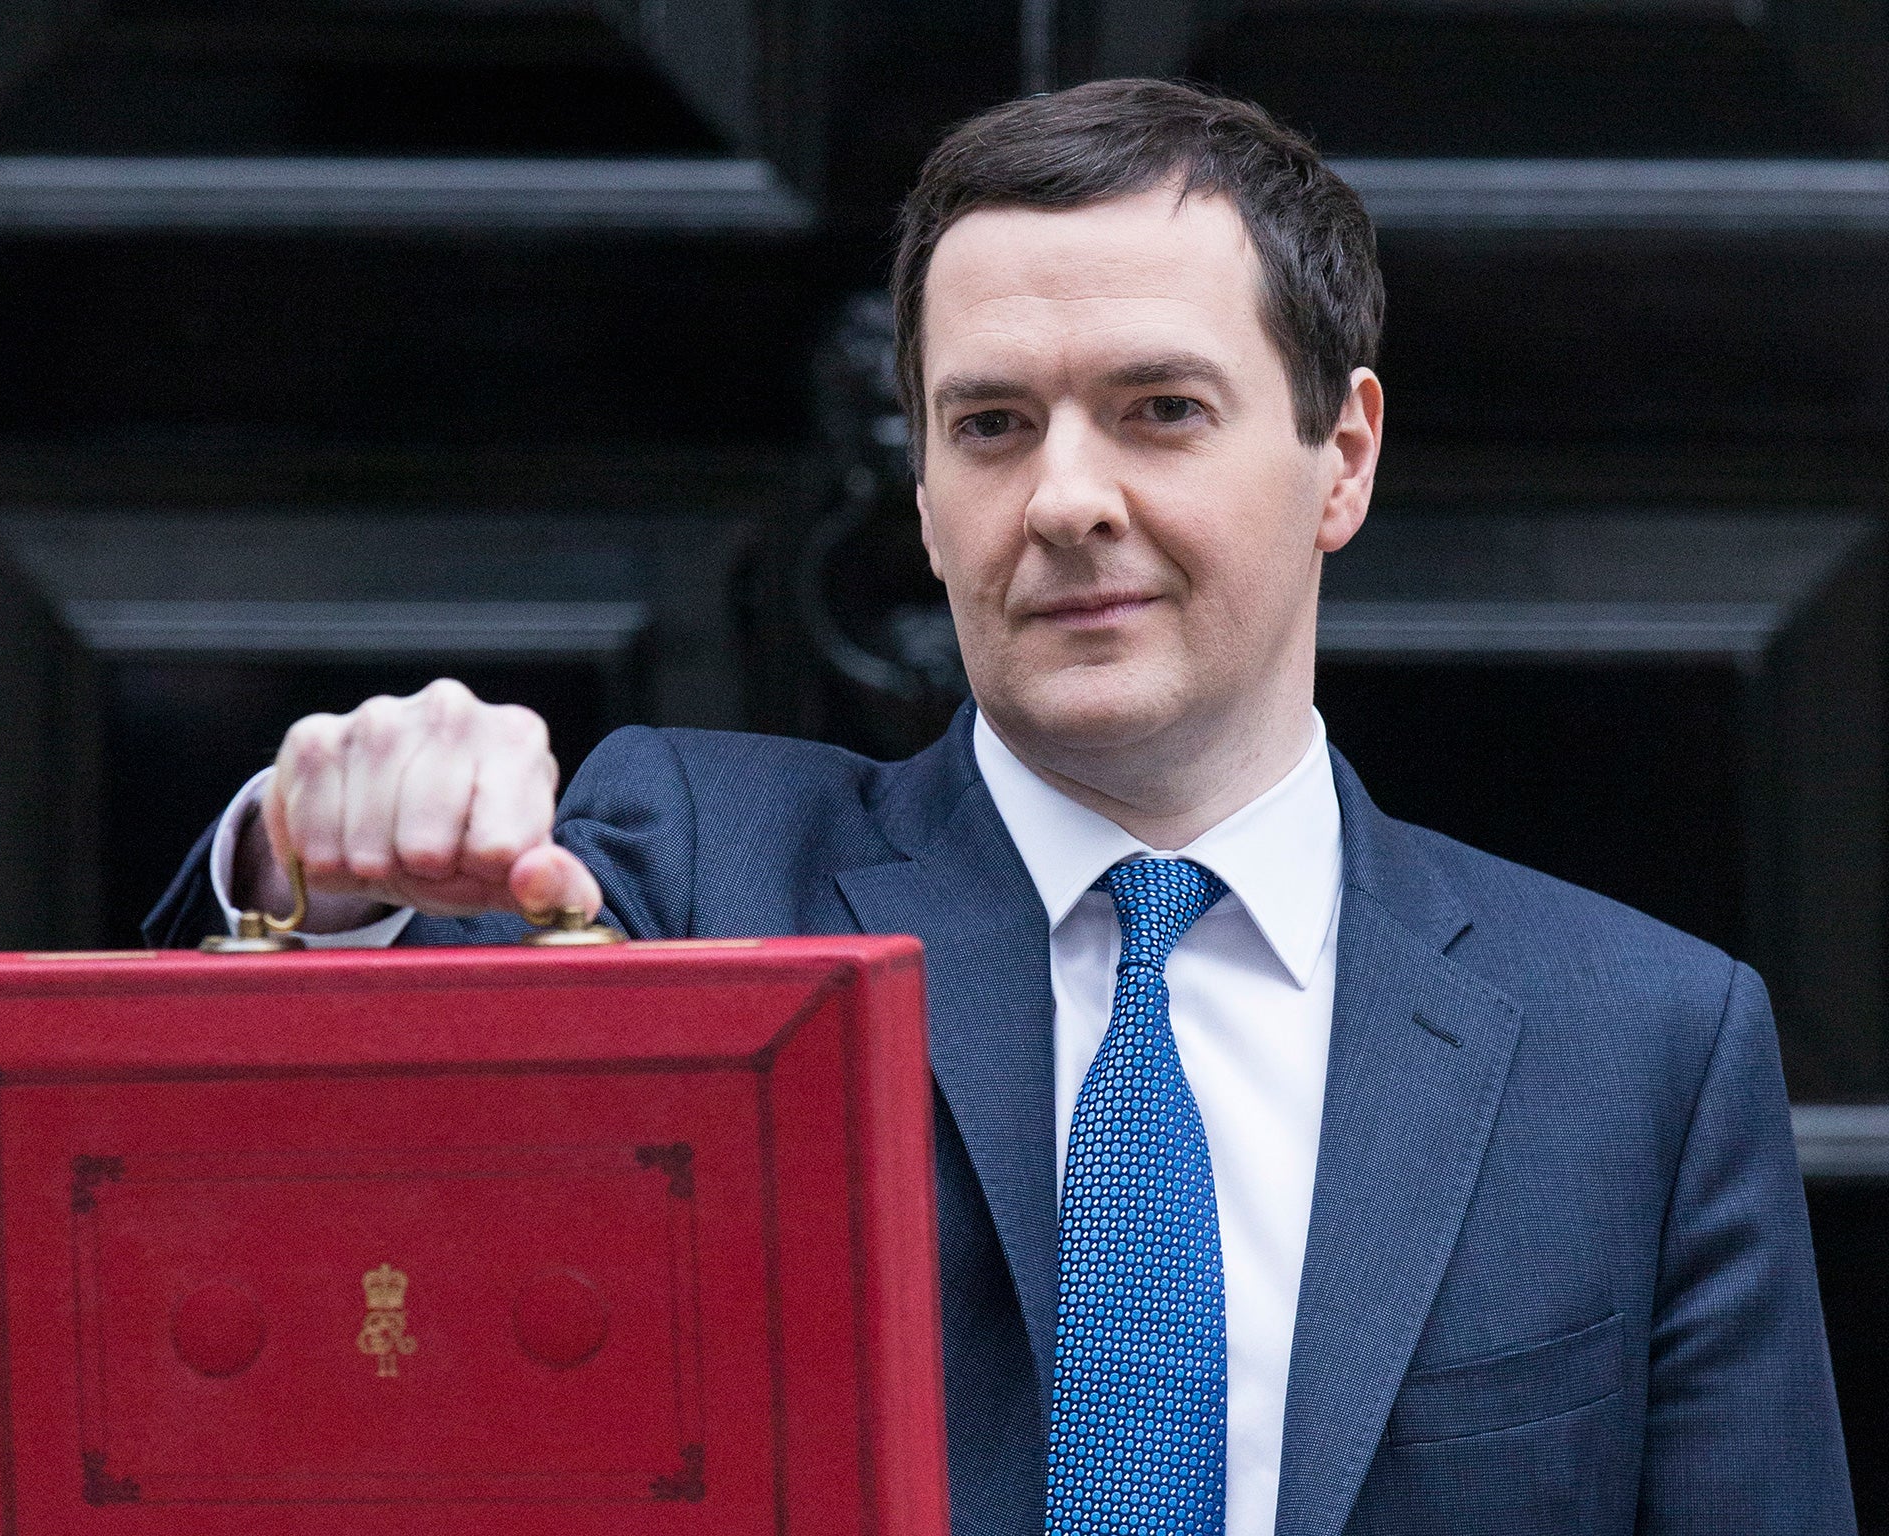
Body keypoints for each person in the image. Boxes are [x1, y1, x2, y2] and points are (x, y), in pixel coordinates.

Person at [147, 80, 1854, 1536]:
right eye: (990, 425)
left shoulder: (1639, 1047)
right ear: (924, 482)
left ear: (1344, 455)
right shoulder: (686, 866)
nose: (1065, 500)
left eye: (1159, 412)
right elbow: (277, 1238)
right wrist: (317, 871)